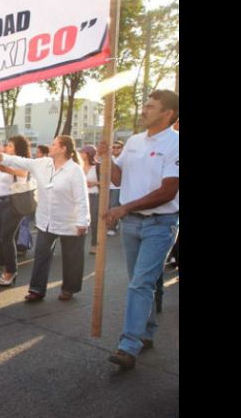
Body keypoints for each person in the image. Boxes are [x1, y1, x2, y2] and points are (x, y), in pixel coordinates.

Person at [101, 90, 179, 370]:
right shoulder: (134, 141)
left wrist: (123, 207)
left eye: (150, 106)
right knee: (141, 281)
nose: (143, 110)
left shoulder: (175, 144)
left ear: (168, 113)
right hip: (132, 224)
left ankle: (128, 345)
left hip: (160, 225)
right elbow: (119, 177)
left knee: (139, 284)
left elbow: (168, 191)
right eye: (145, 105)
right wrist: (105, 159)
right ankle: (146, 332)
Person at [0, 136, 90, 302]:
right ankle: (36, 290)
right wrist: (0, 157)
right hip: (45, 220)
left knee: (72, 257)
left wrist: (82, 221)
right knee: (41, 254)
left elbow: (82, 198)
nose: (50, 146)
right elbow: (21, 162)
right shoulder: (43, 163)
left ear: (63, 149)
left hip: (69, 221)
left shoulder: (75, 170)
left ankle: (69, 288)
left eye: (54, 144)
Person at [0, 135, 31, 286]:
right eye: (8, 145)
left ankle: (11, 270)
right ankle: (6, 261)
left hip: (15, 202)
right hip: (1, 202)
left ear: (18, 148)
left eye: (11, 145)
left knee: (6, 237)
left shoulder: (23, 163)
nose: (7, 147)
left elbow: (13, 171)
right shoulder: (4, 162)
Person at [79, 145, 100, 254]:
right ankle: (78, 246)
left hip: (94, 195)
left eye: (83, 152)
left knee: (95, 221)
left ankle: (94, 244)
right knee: (80, 221)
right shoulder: (78, 166)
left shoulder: (97, 166)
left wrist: (94, 183)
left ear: (89, 154)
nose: (81, 154)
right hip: (81, 196)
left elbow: (105, 182)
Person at [106, 140, 124, 236]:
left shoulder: (124, 158)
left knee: (114, 206)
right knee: (108, 207)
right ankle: (110, 225)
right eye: (114, 147)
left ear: (122, 149)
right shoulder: (110, 158)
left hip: (118, 187)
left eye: (118, 147)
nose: (116, 149)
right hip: (108, 187)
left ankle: (113, 227)